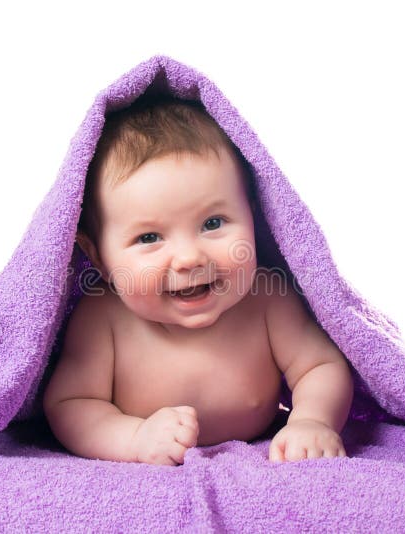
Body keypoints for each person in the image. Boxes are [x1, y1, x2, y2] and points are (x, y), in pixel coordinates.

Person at [43, 96, 354, 466]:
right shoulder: (103, 320)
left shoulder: (268, 301)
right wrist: (135, 439)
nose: (190, 258)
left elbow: (320, 367)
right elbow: (71, 404)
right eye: (149, 238)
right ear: (98, 257)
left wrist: (311, 421)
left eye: (213, 223)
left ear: (254, 216)